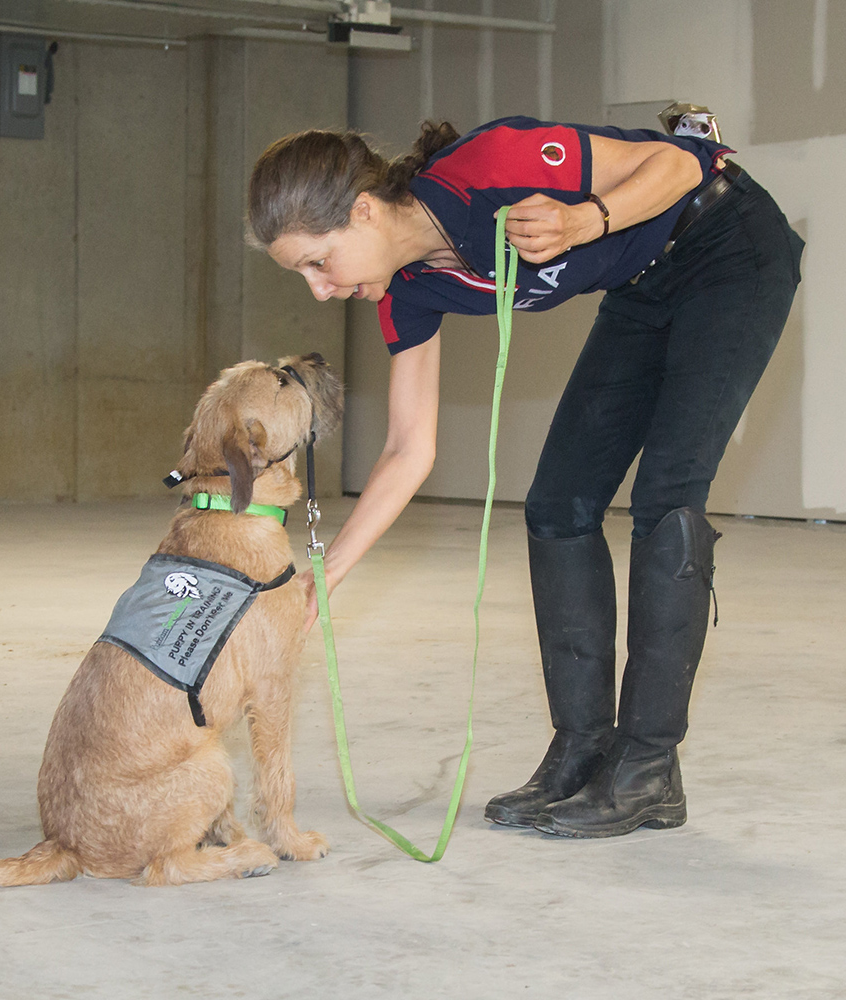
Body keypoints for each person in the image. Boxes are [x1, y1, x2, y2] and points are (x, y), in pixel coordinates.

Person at [247, 115, 804, 839]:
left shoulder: (491, 165)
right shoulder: (405, 290)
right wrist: (321, 578)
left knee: (669, 493)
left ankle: (647, 769)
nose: (320, 290)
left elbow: (680, 166)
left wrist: (583, 219)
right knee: (557, 504)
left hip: (728, 242)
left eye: (319, 262)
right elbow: (409, 447)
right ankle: (581, 749)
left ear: (361, 211)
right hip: (646, 281)